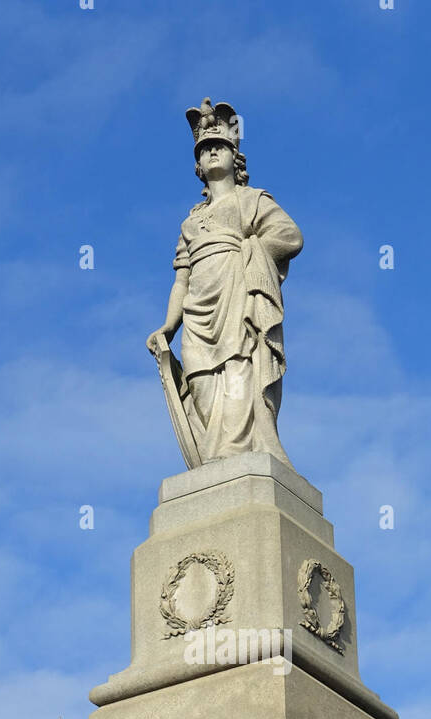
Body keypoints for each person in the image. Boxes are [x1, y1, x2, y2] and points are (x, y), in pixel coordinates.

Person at [146, 98, 303, 466]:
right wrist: (169, 326)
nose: (213, 152)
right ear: (198, 165)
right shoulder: (189, 224)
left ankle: (238, 457)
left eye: (220, 146)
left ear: (236, 157)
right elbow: (181, 279)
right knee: (201, 383)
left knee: (238, 372)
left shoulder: (252, 200)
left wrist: (248, 253)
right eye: (205, 150)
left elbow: (290, 237)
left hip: (237, 303)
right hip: (198, 317)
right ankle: (216, 460)